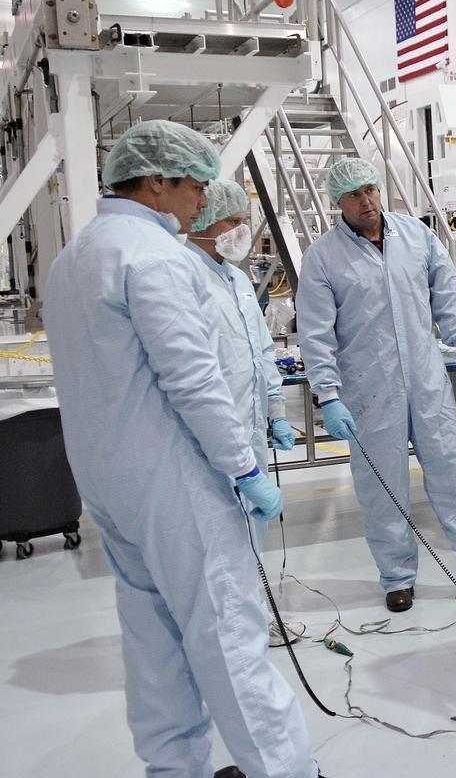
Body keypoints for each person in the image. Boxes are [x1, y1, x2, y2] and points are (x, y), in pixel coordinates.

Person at [44, 120, 321, 778]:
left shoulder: (74, 257)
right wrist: (244, 467)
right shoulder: (155, 257)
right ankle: (283, 769)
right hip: (177, 484)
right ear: (156, 182)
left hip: (110, 483)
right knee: (228, 634)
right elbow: (193, 380)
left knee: (154, 641)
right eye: (196, 186)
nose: (203, 201)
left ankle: (174, 769)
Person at [295, 157, 456, 612]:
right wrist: (328, 393)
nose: (366, 201)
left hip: (426, 379)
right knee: (383, 488)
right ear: (337, 202)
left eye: (371, 190)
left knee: (452, 472)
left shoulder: (416, 236)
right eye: (354, 195)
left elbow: (447, 295)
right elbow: (316, 333)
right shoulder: (323, 258)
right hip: (368, 388)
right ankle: (397, 577)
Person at [186, 179, 302, 647]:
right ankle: (227, 632)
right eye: (231, 221)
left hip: (249, 429)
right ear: (202, 221)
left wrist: (276, 409)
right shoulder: (185, 279)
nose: (240, 230)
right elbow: (192, 375)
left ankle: (251, 619)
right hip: (210, 438)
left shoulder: (235, 280)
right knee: (217, 537)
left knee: (251, 532)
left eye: (242, 221)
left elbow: (260, 352)